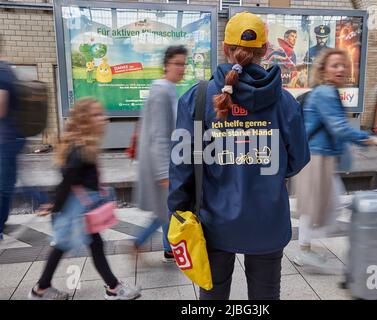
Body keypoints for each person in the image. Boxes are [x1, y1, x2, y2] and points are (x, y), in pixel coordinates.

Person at [168, 11, 310, 300]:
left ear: (225, 48)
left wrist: (177, 211)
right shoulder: (284, 102)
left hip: (214, 222)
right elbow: (298, 159)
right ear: (265, 51)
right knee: (265, 296)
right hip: (267, 220)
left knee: (213, 296)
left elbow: (182, 165)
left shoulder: (197, 98)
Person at [293, 48, 377, 273]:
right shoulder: (326, 93)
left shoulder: (325, 92)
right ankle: (306, 250)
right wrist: (375, 140)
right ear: (323, 70)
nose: (340, 69)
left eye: (343, 65)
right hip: (316, 157)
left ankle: (304, 249)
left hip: (317, 155)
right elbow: (339, 129)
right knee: (327, 205)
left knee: (318, 205)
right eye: (334, 65)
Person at [29, 98, 141, 300]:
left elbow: (71, 179)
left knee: (88, 245)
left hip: (80, 207)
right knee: (68, 244)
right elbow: (67, 181)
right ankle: (111, 288)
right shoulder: (79, 149)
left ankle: (43, 288)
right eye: (97, 115)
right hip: (75, 209)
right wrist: (56, 207)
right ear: (84, 119)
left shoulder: (83, 145)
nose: (104, 118)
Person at [133, 45, 187, 262]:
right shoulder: (161, 90)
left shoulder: (169, 89)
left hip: (167, 161)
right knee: (167, 208)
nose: (182, 68)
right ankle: (138, 243)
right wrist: (164, 171)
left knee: (167, 208)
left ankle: (168, 248)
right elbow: (159, 135)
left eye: (184, 64)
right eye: (177, 63)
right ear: (166, 65)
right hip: (161, 163)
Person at [0, 52, 26, 240]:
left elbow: (1, 107)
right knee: (7, 185)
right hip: (12, 137)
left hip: (6, 138)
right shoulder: (7, 69)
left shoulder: (2, 71)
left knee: (4, 187)